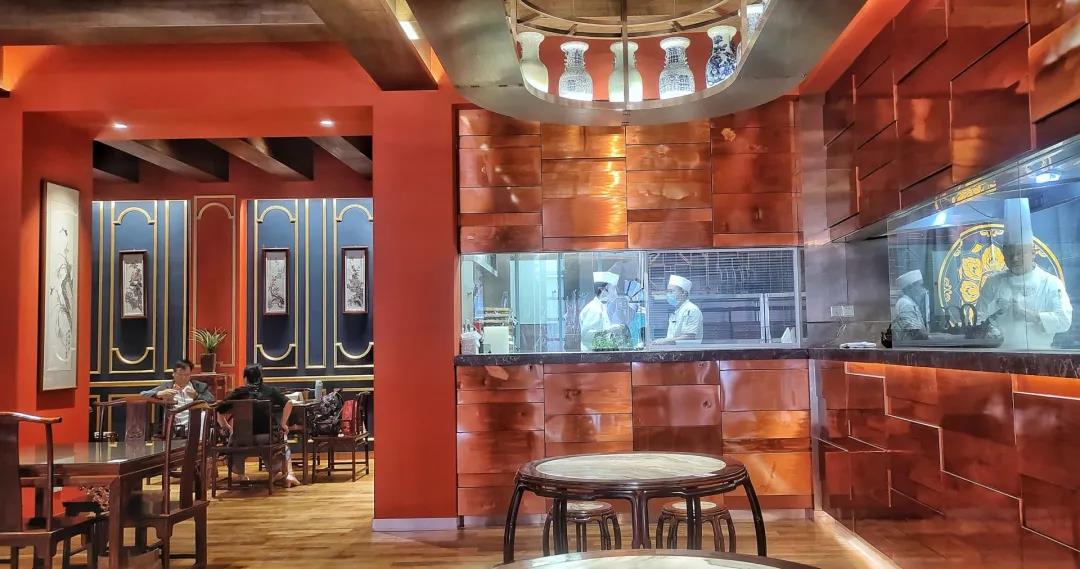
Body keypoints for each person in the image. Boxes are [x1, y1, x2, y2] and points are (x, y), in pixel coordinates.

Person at [976, 198, 1073, 350]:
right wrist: (995, 311)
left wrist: (1029, 315)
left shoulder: (1050, 283)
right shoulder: (993, 283)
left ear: (1033, 252)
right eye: (1009, 254)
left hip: (1040, 355)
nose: (1014, 258)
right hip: (998, 355)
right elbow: (978, 319)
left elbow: (1064, 320)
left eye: (1020, 253)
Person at [217, 364, 300, 487]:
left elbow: (219, 411)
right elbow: (289, 403)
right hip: (267, 439)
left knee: (233, 438)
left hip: (241, 440)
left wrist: (227, 428)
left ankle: (241, 475)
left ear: (245, 378)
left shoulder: (238, 393)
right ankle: (287, 474)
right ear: (261, 378)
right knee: (283, 437)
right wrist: (283, 423)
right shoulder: (270, 391)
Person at [141, 358, 216, 437]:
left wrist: (196, 395)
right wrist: (159, 393)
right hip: (177, 427)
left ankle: (200, 441)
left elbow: (212, 400)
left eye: (186, 375)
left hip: (196, 421)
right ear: (173, 374)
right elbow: (143, 394)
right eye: (180, 375)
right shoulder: (167, 386)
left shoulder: (198, 386)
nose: (183, 378)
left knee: (203, 415)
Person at [653, 275, 703, 345]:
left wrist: (664, 341)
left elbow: (689, 337)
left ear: (683, 292)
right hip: (675, 349)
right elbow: (673, 336)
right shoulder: (678, 310)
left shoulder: (691, 309)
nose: (668, 294)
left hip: (687, 350)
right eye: (667, 292)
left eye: (671, 291)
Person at [579, 271, 621, 352]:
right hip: (593, 358)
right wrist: (610, 330)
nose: (616, 293)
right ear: (603, 290)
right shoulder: (594, 309)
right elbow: (586, 337)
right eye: (613, 288)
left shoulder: (601, 307)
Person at [893, 269, 930, 340]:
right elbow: (915, 332)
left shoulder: (910, 302)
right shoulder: (905, 304)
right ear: (910, 288)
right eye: (920, 286)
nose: (922, 289)